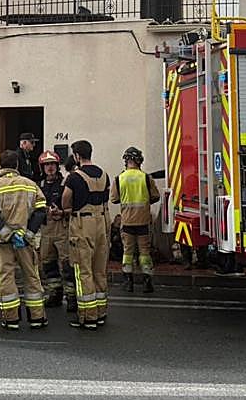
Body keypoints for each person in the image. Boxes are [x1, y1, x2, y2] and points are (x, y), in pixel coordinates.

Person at [0, 148, 49, 331]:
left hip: (1, 241)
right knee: (32, 276)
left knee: (6, 277)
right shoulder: (30, 184)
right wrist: (29, 233)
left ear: (1, 166)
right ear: (17, 165)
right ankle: (37, 318)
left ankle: (11, 319)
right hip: (25, 240)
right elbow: (41, 210)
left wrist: (5, 232)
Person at [62, 139, 110, 330]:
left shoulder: (74, 177)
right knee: (99, 269)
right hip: (102, 221)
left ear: (77, 156)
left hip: (82, 223)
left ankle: (88, 316)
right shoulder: (104, 174)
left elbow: (66, 201)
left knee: (83, 270)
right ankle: (100, 312)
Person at [111, 146, 161, 293]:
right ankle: (147, 282)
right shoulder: (146, 177)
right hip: (143, 222)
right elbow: (155, 196)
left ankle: (128, 282)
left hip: (127, 222)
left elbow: (114, 199)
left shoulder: (119, 178)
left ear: (126, 161)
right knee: (144, 252)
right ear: (140, 161)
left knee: (127, 252)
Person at [36, 150, 69, 308]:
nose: (50, 168)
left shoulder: (65, 184)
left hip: (62, 227)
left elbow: (72, 205)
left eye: (52, 164)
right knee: (48, 263)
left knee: (67, 263)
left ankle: (72, 297)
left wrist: (61, 212)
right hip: (46, 228)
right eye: (47, 165)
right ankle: (54, 294)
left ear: (57, 166)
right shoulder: (39, 185)